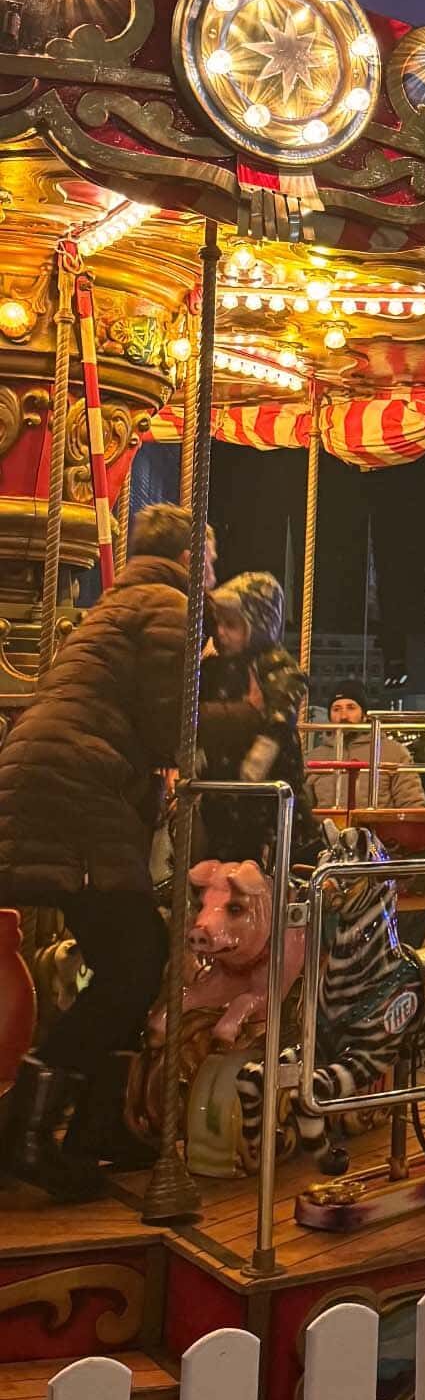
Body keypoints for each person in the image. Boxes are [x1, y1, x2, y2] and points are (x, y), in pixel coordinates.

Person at [0, 503, 199, 1199]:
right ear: (186, 553)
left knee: (132, 958)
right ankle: (25, 1135)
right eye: (205, 551)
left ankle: (95, 1125)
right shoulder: (169, 604)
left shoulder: (116, 606)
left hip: (51, 774)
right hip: (80, 788)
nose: (210, 566)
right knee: (137, 958)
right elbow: (173, 711)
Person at [199, 571, 322, 869]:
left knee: (266, 860)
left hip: (266, 792)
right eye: (220, 624)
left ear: (259, 626)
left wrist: (263, 749)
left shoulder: (273, 664)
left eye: (232, 625)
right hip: (222, 792)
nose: (221, 633)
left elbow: (284, 701)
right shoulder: (215, 669)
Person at [309, 684, 425, 811]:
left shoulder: (394, 753)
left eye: (351, 708)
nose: (343, 716)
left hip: (378, 828)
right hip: (327, 828)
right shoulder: (314, 757)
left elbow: (411, 805)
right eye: (336, 709)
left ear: (364, 715)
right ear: (330, 717)